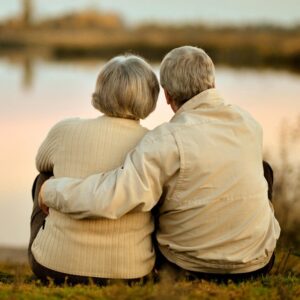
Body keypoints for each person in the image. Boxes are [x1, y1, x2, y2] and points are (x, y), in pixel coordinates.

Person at [40, 46, 280, 282]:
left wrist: (50, 189)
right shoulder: (249, 124)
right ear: (213, 84)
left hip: (187, 266)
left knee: (154, 189)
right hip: (257, 263)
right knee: (263, 169)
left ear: (166, 95)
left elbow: (114, 196)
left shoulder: (166, 139)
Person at [29, 54, 160, 284]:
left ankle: (57, 244)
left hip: (53, 267)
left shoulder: (65, 130)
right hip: (131, 273)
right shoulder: (154, 144)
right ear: (151, 96)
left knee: (44, 178)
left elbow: (41, 163)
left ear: (101, 91)